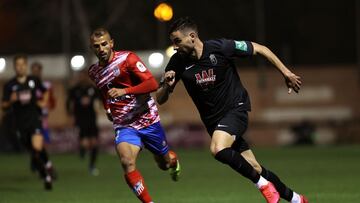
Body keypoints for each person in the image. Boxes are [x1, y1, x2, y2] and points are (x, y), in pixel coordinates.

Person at [156, 17, 308, 203]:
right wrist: (166, 84)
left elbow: (260, 48)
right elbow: (160, 99)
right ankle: (296, 199)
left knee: (217, 148)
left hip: (236, 110)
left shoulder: (221, 47)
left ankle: (263, 185)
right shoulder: (177, 62)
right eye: (173, 42)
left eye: (177, 41)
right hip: (214, 122)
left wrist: (286, 72)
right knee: (255, 167)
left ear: (193, 37)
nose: (175, 46)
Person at [88, 28, 181, 203]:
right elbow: (103, 91)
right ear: (92, 48)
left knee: (164, 164)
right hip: (124, 125)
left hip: (147, 120)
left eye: (104, 44)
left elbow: (152, 84)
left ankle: (173, 161)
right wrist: (108, 108)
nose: (101, 48)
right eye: (96, 46)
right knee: (127, 162)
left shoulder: (127, 59)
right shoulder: (93, 71)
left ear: (111, 43)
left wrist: (125, 91)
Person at [1, 55, 54, 190]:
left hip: (34, 119)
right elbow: (4, 105)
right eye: (17, 65)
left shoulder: (33, 80)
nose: (20, 67)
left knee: (36, 148)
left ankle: (47, 174)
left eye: (22, 64)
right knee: (33, 153)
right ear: (14, 67)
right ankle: (45, 174)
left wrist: (43, 102)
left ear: (26, 65)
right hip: (19, 124)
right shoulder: (10, 85)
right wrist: (11, 100)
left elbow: (45, 91)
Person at [66, 70, 100, 176]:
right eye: (80, 76)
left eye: (84, 76)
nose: (82, 78)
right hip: (80, 119)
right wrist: (71, 116)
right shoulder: (74, 90)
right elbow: (69, 104)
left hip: (91, 119)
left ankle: (92, 165)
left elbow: (98, 102)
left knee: (94, 143)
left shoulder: (93, 89)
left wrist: (98, 109)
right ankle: (82, 150)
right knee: (85, 143)